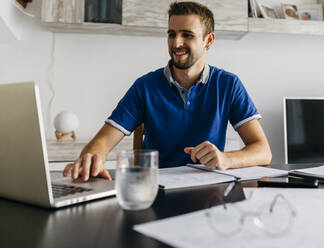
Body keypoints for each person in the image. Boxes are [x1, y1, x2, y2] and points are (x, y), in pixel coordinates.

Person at [63, 1, 272, 181]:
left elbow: (263, 151)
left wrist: (226, 159)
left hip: (209, 192)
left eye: (187, 35)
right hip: (155, 190)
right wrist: (91, 156)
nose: (176, 43)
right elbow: (104, 140)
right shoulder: (145, 86)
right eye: (172, 34)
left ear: (208, 40)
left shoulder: (228, 85)